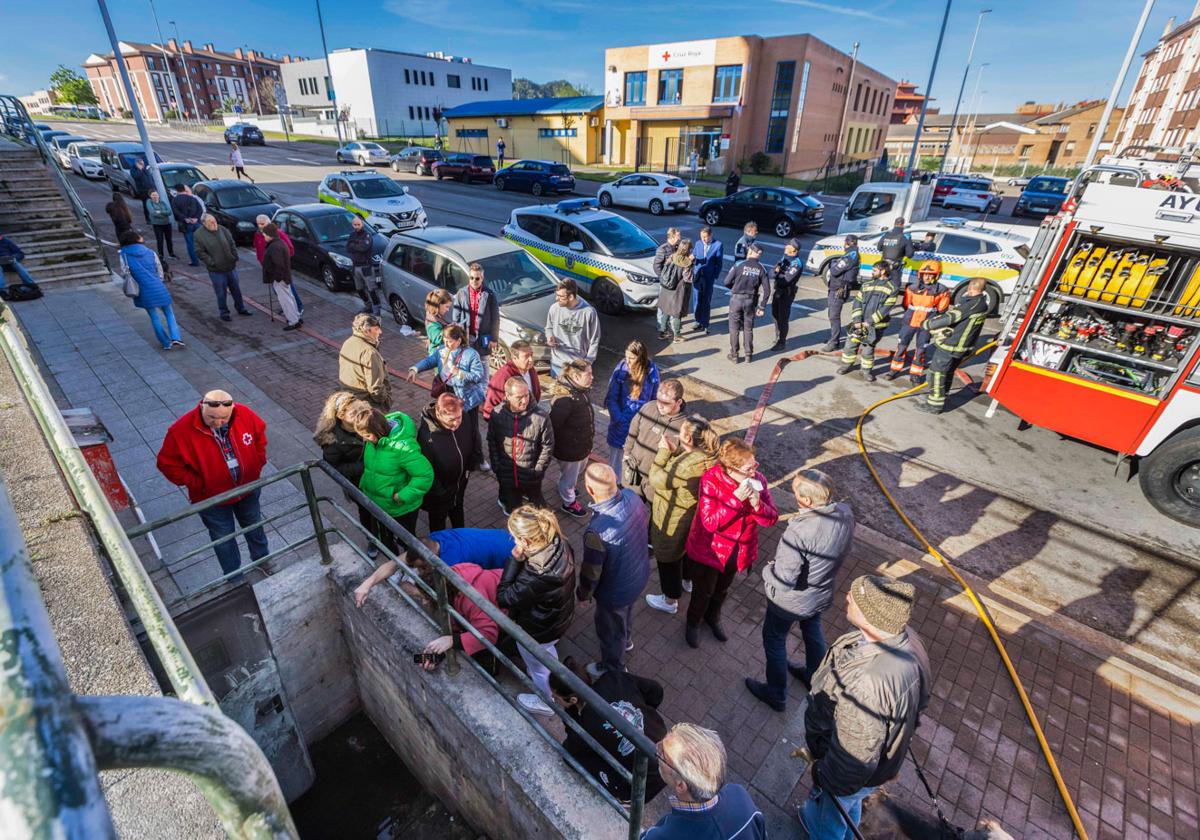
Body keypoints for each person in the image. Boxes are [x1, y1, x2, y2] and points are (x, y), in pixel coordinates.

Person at [799, 575, 931, 839]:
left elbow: (851, 763)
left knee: (831, 820)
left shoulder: (870, 683)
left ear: (872, 617)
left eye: (856, 597)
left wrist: (822, 774)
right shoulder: (907, 639)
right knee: (846, 808)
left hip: (845, 775)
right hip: (875, 771)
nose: (847, 596)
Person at [746, 470, 855, 713]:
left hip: (791, 602)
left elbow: (784, 578)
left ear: (806, 501)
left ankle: (776, 694)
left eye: (795, 491)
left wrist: (767, 571)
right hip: (820, 593)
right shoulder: (845, 513)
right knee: (812, 629)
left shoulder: (799, 531)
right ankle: (813, 675)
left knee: (774, 639)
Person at [156, 390, 269, 578]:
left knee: (255, 527)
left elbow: (259, 438)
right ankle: (234, 577)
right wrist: (199, 483)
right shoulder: (180, 430)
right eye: (212, 418)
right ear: (201, 407)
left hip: (247, 490)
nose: (217, 423)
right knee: (223, 540)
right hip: (212, 499)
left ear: (233, 409)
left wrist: (257, 464)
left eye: (224, 418)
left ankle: (263, 562)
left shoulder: (245, 414)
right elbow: (166, 464)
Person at [683, 439, 778, 648]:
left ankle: (713, 617)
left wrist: (757, 504)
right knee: (703, 591)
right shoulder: (711, 480)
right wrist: (735, 499)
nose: (755, 471)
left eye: (755, 465)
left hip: (738, 551)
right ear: (731, 468)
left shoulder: (758, 480)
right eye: (749, 468)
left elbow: (771, 518)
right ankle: (693, 622)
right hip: (711, 551)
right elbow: (709, 522)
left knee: (722, 590)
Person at [550, 657, 668, 803]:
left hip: (648, 781)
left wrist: (571, 717)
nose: (554, 700)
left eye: (557, 698)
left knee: (588, 759)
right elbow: (655, 690)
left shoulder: (581, 729)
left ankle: (623, 799)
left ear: (573, 700)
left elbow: (569, 753)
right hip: (667, 743)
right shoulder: (613, 678)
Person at [496, 506, 576, 716]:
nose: (513, 542)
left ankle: (546, 702)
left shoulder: (536, 573)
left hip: (537, 629)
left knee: (537, 668)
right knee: (548, 654)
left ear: (527, 541)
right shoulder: (560, 542)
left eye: (515, 538)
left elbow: (505, 598)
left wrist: (514, 560)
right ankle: (553, 673)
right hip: (556, 617)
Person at [578, 464, 650, 678]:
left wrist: (583, 594)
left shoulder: (597, 531)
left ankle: (613, 667)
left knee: (609, 629)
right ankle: (626, 640)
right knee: (626, 613)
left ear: (590, 490)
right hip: (638, 574)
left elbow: (591, 571)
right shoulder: (633, 496)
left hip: (614, 590)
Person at [643, 416, 720, 616]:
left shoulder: (687, 465)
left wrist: (662, 452)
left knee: (668, 558)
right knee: (686, 552)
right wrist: (676, 451)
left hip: (675, 515)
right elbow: (685, 465)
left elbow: (658, 480)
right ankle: (687, 582)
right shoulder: (709, 455)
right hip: (693, 516)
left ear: (688, 439)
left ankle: (670, 599)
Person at [644, 723, 766, 840]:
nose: (657, 746)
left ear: (681, 786)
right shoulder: (740, 796)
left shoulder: (662, 836)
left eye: (663, 755)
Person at [354, 407, 434, 551]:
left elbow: (425, 475)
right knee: (386, 540)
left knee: (406, 542)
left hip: (401, 508)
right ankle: (395, 568)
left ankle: (410, 567)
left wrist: (402, 496)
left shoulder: (403, 448)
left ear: (378, 429)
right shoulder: (373, 441)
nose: (364, 439)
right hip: (379, 503)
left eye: (366, 435)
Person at [408, 323, 486, 465]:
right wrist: (415, 369)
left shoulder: (471, 354)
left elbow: (479, 375)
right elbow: (429, 361)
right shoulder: (442, 350)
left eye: (449, 341)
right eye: (444, 340)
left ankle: (477, 458)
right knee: (450, 425)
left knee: (471, 428)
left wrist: (461, 373)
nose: (446, 343)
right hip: (447, 393)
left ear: (459, 341)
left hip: (466, 398)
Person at [314, 392, 378, 555]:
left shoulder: (366, 419)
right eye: (353, 413)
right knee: (367, 513)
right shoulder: (332, 441)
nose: (359, 415)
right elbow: (334, 469)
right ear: (341, 416)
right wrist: (365, 466)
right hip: (358, 483)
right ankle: (373, 540)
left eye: (360, 410)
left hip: (380, 476)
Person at [918, 276, 990, 414]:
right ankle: (940, 396)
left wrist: (927, 324)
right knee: (948, 372)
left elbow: (951, 317)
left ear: (970, 288)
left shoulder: (970, 305)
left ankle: (934, 405)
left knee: (937, 373)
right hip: (962, 346)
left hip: (952, 345)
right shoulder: (981, 303)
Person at [488, 377, 554, 514]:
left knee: (540, 510)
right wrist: (496, 465)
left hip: (531, 476)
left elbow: (547, 446)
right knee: (514, 511)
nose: (524, 401)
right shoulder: (497, 414)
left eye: (526, 395)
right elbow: (492, 440)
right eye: (519, 397)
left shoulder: (541, 417)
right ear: (508, 396)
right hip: (507, 475)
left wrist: (538, 470)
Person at [417, 393, 477, 532]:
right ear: (438, 413)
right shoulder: (426, 437)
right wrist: (441, 492)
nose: (456, 423)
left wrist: (470, 466)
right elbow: (426, 469)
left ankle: (461, 537)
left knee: (458, 515)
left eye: (459, 417)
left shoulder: (464, 417)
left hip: (459, 484)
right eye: (451, 419)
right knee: (438, 526)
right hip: (439, 495)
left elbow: (473, 438)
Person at [118, 230, 184, 351]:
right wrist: (157, 280)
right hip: (158, 287)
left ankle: (165, 343)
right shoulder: (150, 252)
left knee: (154, 317)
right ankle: (176, 337)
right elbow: (159, 271)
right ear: (136, 239)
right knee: (169, 313)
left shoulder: (124, 255)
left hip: (143, 290)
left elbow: (124, 273)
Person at [622, 378, 686, 502]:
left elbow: (685, 455)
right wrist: (626, 453)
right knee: (628, 507)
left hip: (656, 483)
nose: (660, 405)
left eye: (666, 403)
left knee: (653, 515)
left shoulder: (685, 426)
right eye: (659, 400)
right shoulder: (648, 407)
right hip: (633, 472)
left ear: (679, 402)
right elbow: (633, 431)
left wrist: (675, 450)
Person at [887, 260, 950, 383]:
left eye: (930, 274)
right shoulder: (912, 287)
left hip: (926, 324)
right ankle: (894, 369)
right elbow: (906, 304)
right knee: (901, 346)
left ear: (936, 275)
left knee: (921, 349)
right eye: (924, 274)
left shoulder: (942, 290)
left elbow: (942, 309)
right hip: (909, 321)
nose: (927, 276)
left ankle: (915, 373)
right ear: (920, 274)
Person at [837, 262, 899, 382]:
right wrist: (857, 320)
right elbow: (857, 302)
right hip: (858, 322)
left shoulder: (892, 288)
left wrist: (869, 322)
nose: (872, 272)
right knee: (850, 344)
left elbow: (886, 308)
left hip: (875, 325)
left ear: (883, 271)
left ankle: (865, 371)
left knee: (868, 349)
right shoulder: (866, 284)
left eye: (875, 270)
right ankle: (846, 365)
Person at [604, 340, 659, 476]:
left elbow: (653, 399)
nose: (627, 361)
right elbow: (611, 398)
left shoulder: (651, 371)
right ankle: (615, 484)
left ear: (641, 357)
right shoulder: (621, 371)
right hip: (621, 423)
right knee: (616, 458)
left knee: (634, 457)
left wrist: (649, 421)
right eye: (626, 356)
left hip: (641, 424)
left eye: (632, 358)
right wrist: (619, 419)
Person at [548, 359, 594, 519]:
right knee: (570, 477)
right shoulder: (565, 399)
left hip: (581, 446)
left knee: (574, 474)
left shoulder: (581, 390)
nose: (592, 377)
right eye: (588, 374)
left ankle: (565, 486)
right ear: (575, 375)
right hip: (570, 450)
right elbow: (553, 425)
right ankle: (569, 502)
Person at [193, 214, 252, 322]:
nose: (214, 223)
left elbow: (231, 243)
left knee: (236, 290)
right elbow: (199, 252)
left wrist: (234, 256)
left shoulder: (223, 229)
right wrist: (211, 262)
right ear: (204, 223)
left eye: (214, 220)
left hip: (230, 266)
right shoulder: (199, 235)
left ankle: (241, 308)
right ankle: (224, 312)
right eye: (210, 222)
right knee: (221, 292)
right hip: (216, 271)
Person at [723, 242, 770, 364]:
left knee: (734, 328)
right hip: (750, 300)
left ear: (749, 252)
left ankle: (734, 355)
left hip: (736, 299)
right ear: (759, 255)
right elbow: (767, 290)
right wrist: (762, 306)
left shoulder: (739, 264)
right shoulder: (761, 268)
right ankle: (748, 354)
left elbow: (726, 281)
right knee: (748, 328)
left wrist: (735, 288)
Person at [545, 279, 600, 377]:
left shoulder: (589, 312)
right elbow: (549, 327)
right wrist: (550, 337)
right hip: (558, 364)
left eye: (560, 296)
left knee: (577, 392)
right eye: (556, 294)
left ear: (571, 296)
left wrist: (588, 362)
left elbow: (594, 340)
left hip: (578, 365)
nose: (556, 299)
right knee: (558, 391)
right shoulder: (554, 308)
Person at [339, 313, 392, 411]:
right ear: (367, 331)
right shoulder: (369, 353)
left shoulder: (347, 343)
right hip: (368, 405)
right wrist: (385, 401)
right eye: (376, 329)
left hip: (350, 401)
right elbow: (376, 388)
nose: (380, 332)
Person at [254, 215, 303, 317]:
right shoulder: (258, 235)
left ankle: (297, 308)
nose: (260, 226)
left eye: (262, 224)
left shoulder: (279, 234)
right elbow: (258, 248)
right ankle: (286, 307)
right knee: (278, 291)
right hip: (269, 268)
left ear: (269, 223)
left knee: (288, 290)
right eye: (258, 224)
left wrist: (279, 261)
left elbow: (290, 250)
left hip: (279, 269)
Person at [482, 339, 541, 423]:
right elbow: (490, 408)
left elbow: (536, 394)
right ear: (514, 358)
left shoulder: (531, 370)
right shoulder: (502, 376)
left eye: (531, 355)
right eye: (526, 356)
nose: (531, 359)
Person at [260, 223, 302, 332]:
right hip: (284, 277)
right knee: (290, 297)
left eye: (265, 235)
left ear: (270, 235)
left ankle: (293, 321)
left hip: (280, 278)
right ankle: (296, 317)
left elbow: (279, 265)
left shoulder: (275, 247)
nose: (264, 237)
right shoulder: (280, 243)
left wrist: (277, 278)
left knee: (286, 300)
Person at [823, 236, 861, 352]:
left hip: (839, 289)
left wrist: (833, 264)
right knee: (832, 314)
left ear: (848, 243)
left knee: (833, 316)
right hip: (838, 288)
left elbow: (835, 271)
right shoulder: (852, 254)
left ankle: (834, 342)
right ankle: (833, 338)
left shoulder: (850, 256)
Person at [451, 262, 498, 354]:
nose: (474, 281)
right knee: (467, 363)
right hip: (466, 337)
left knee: (483, 364)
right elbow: (455, 318)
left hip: (483, 337)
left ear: (482, 278)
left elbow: (495, 319)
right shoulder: (461, 293)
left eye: (477, 278)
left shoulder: (490, 294)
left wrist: (494, 339)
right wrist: (456, 336)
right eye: (471, 278)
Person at [769, 238, 804, 352]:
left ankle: (782, 341)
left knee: (783, 317)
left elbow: (786, 280)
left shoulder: (796, 264)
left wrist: (777, 274)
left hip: (786, 293)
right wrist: (776, 273)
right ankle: (777, 336)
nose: (785, 247)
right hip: (778, 290)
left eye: (787, 246)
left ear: (793, 250)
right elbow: (771, 272)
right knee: (775, 314)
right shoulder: (785, 258)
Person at [657, 238, 695, 342]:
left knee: (666, 310)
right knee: (677, 312)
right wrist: (691, 262)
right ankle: (677, 336)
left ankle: (662, 332)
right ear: (687, 250)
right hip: (678, 290)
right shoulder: (686, 262)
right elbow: (688, 278)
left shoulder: (672, 256)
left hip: (667, 288)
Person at [691, 226, 724, 335]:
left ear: (711, 235)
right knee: (697, 300)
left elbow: (719, 263)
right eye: (702, 237)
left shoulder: (718, 245)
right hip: (698, 277)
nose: (703, 239)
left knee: (706, 301)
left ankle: (705, 323)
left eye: (705, 237)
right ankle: (697, 321)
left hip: (709, 278)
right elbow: (694, 257)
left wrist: (714, 276)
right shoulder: (698, 243)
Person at [346, 215, 381, 316]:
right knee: (359, 289)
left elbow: (364, 248)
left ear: (362, 224)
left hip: (366, 267)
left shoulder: (367, 235)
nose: (357, 226)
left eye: (358, 224)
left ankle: (377, 310)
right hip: (355, 266)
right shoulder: (352, 235)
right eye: (355, 225)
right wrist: (356, 244)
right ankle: (368, 306)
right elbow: (348, 248)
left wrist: (354, 245)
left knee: (372, 290)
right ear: (352, 225)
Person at [171, 184, 204, 267]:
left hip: (186, 224)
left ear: (177, 190)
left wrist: (185, 219)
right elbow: (200, 209)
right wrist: (196, 218)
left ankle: (195, 261)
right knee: (202, 241)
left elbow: (176, 212)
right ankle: (206, 258)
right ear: (184, 190)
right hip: (196, 223)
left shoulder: (175, 200)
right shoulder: (192, 198)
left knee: (190, 243)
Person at [878, 216, 914, 287]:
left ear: (894, 224)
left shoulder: (886, 235)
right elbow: (910, 254)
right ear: (903, 225)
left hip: (883, 267)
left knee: (881, 287)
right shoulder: (905, 237)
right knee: (893, 288)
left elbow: (879, 248)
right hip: (895, 269)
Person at [146, 189, 176, 261]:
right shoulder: (149, 202)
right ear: (150, 196)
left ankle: (171, 253)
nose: (155, 196)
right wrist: (163, 214)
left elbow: (169, 212)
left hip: (167, 224)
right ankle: (161, 255)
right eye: (153, 195)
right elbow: (153, 213)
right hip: (157, 224)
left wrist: (159, 212)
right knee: (160, 240)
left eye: (156, 194)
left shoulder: (162, 202)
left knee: (169, 239)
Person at [130, 158, 154, 223]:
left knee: (153, 203)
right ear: (137, 163)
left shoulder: (144, 168)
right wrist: (139, 169)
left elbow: (149, 177)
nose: (143, 165)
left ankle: (153, 217)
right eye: (141, 163)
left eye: (143, 163)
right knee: (146, 205)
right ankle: (148, 219)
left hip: (151, 189)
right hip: (143, 190)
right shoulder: (133, 170)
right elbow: (136, 176)